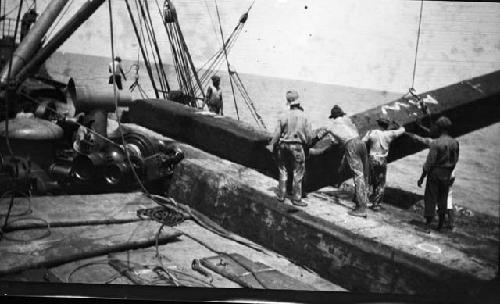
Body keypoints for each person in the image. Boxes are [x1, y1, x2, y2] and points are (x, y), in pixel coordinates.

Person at [407, 118, 459, 232]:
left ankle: (427, 226)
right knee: (443, 198)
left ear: (439, 128)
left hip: (435, 172)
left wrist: (422, 177)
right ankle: (440, 225)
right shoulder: (455, 143)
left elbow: (429, 162)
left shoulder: (435, 143)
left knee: (430, 197)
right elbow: (455, 160)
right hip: (447, 173)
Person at [318, 105, 370, 217]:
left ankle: (361, 208)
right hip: (361, 143)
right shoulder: (347, 120)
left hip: (351, 145)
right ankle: (360, 201)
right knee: (364, 174)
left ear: (333, 116)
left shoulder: (331, 126)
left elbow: (321, 136)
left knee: (358, 176)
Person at [268, 90, 314, 207]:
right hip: (297, 147)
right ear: (298, 102)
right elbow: (309, 137)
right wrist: (308, 144)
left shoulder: (282, 115)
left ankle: (281, 195)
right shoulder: (305, 116)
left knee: (283, 170)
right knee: (298, 172)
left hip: (282, 146)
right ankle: (296, 199)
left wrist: (271, 145)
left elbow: (277, 133)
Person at [361, 117, 405, 210]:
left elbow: (362, 143)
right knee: (380, 183)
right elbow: (403, 130)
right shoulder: (390, 134)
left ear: (378, 124)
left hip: (372, 158)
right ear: (387, 125)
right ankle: (376, 204)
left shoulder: (371, 133)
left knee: (368, 180)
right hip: (382, 160)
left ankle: (363, 201)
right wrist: (398, 125)